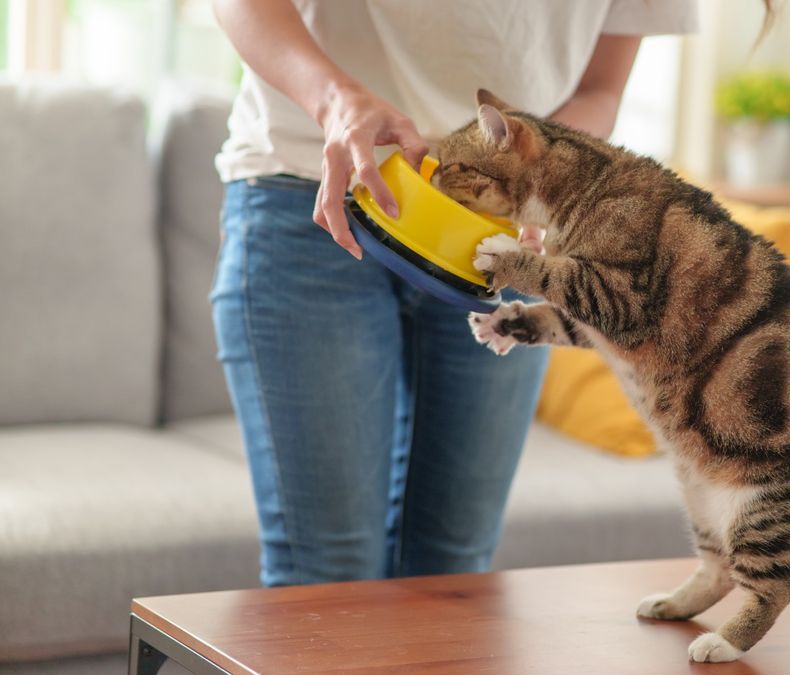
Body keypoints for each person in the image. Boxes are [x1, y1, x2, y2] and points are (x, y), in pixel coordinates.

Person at [209, 0, 697, 586]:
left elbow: (600, 89)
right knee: (325, 578)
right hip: (314, 195)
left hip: (496, 235)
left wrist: (535, 176)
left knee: (456, 577)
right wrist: (334, 98)